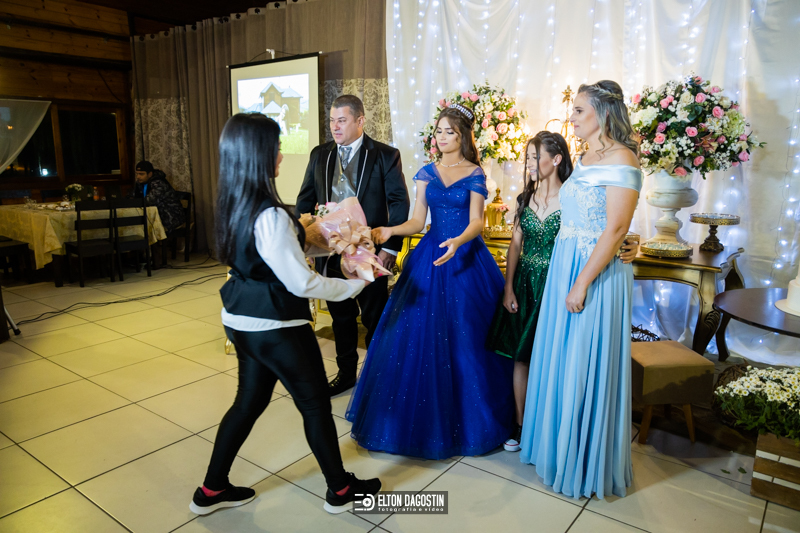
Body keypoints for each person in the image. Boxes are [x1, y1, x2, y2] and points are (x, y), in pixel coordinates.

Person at [189, 113, 380, 516]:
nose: (280, 155)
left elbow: (270, 255)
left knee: (248, 403)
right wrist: (356, 286)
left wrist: (325, 238)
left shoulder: (233, 203)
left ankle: (211, 489)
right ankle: (341, 490)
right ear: (260, 154)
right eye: (276, 148)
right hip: (277, 326)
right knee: (314, 405)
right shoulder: (271, 214)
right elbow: (302, 284)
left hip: (241, 320)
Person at [345, 105, 515, 460]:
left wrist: (459, 241)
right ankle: (418, 421)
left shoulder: (475, 173)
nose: (441, 137)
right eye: (438, 131)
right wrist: (389, 230)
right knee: (418, 336)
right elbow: (418, 221)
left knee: (467, 337)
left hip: (465, 259)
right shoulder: (426, 172)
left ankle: (473, 421)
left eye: (449, 131)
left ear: (462, 136)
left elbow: (478, 221)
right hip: (430, 257)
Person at [518, 81, 643, 500]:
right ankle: (556, 449)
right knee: (562, 358)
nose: (571, 118)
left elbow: (616, 227)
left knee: (584, 361)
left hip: (596, 274)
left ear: (603, 114)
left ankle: (584, 461)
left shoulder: (624, 157)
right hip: (565, 264)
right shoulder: (587, 157)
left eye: (578, 111)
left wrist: (583, 281)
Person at [487, 132, 639, 454]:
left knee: (550, 356)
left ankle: (547, 426)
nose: (529, 164)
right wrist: (508, 286)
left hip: (556, 282)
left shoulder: (571, 195)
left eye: (534, 157)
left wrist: (631, 241)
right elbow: (515, 245)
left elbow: (602, 224)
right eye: (527, 157)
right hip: (525, 283)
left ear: (556, 159)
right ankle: (520, 424)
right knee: (521, 356)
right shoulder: (525, 198)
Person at [296, 95, 410, 396]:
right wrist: (307, 241)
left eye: (342, 120)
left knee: (374, 317)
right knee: (341, 317)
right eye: (332, 121)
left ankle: (378, 378)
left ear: (360, 121)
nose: (335, 126)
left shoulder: (385, 155)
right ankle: (346, 374)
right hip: (330, 252)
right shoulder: (320, 154)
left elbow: (399, 202)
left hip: (370, 252)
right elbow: (305, 199)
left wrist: (390, 249)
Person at [131, 161, 186, 235]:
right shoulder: (141, 183)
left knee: (142, 228)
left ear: (150, 174)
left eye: (141, 174)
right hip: (157, 216)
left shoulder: (159, 183)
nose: (138, 177)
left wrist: (134, 202)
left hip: (171, 217)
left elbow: (149, 201)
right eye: (137, 174)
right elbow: (132, 196)